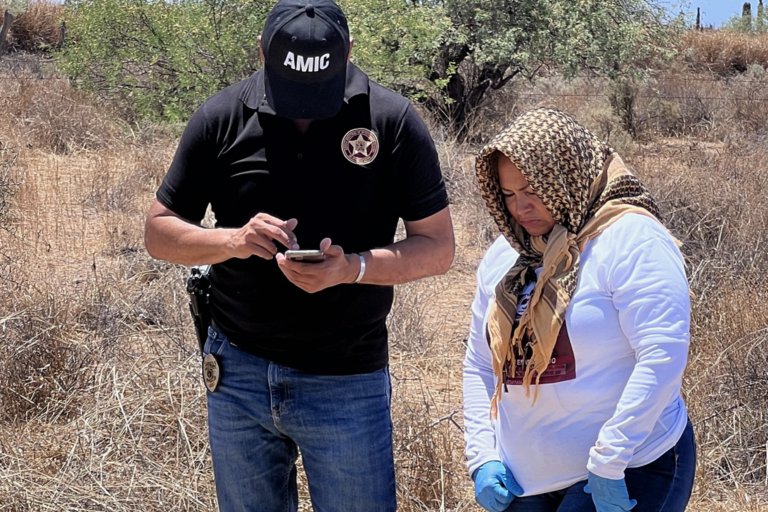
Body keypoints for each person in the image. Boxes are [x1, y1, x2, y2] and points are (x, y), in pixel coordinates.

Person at [143, 0, 455, 510]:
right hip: (237, 373)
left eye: (319, 91)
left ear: (349, 52)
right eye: (292, 92)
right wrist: (235, 240)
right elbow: (158, 232)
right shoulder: (221, 117)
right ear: (262, 52)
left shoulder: (392, 120)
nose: (305, 109)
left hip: (348, 379)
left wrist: (353, 268)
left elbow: (438, 247)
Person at [462, 107, 695, 512]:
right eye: (509, 194)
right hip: (524, 480)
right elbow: (480, 365)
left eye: (533, 190)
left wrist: (610, 460)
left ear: (565, 177)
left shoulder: (630, 239)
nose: (521, 208)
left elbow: (662, 354)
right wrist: (482, 457)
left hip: (627, 467)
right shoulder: (507, 256)